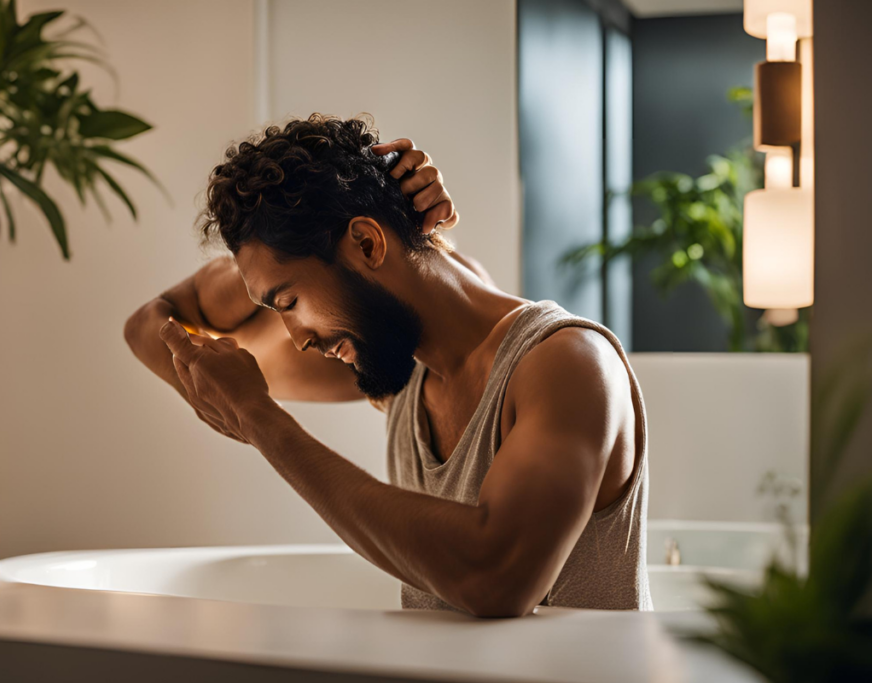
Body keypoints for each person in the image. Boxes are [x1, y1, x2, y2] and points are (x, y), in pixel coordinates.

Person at [125, 114, 651, 617]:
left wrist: (261, 421)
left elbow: (496, 578)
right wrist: (257, 265)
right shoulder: (402, 372)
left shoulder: (569, 363)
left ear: (366, 242)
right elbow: (148, 324)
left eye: (289, 303)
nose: (297, 338)